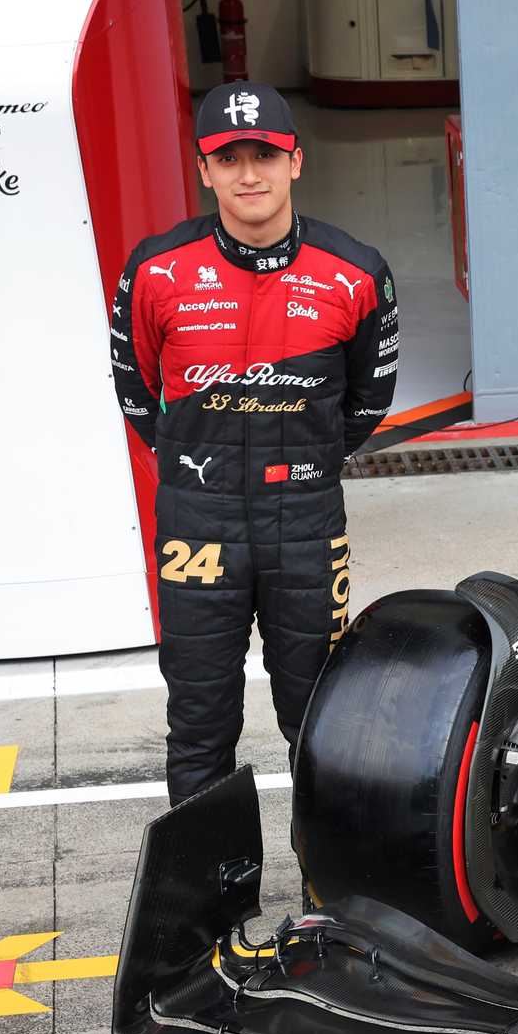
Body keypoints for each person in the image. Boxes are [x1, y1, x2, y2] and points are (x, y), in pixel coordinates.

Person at [110, 83, 400, 805]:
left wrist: (299, 464)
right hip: (196, 523)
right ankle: (209, 905)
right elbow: (138, 395)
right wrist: (207, 464)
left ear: (295, 161)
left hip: (304, 521)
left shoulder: (356, 273)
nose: (249, 174)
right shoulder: (155, 270)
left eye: (265, 155)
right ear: (203, 170)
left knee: (321, 721)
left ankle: (327, 896)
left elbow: (366, 404)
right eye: (229, 157)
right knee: (200, 722)